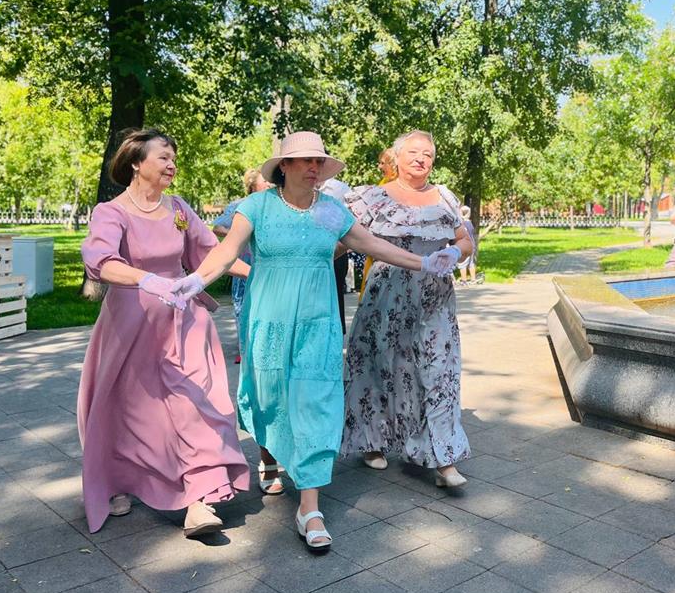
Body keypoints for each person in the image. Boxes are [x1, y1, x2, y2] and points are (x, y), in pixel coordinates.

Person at [169, 131, 468, 551]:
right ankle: (269, 456)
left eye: (319, 162)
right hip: (269, 322)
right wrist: (195, 281)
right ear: (285, 167)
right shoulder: (256, 207)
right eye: (306, 161)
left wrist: (425, 262)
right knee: (268, 398)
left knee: (315, 403)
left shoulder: (330, 212)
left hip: (318, 325)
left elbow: (372, 244)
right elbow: (226, 251)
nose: (314, 168)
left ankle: (309, 508)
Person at [78, 128, 250, 538]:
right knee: (131, 409)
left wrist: (261, 274)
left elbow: (212, 254)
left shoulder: (178, 208)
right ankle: (119, 480)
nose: (172, 164)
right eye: (163, 157)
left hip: (184, 322)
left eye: (174, 158)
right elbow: (100, 261)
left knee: (195, 404)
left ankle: (200, 499)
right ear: (137, 164)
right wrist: (146, 280)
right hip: (131, 323)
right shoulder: (111, 212)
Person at [342, 130, 472, 489]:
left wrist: (455, 252)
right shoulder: (373, 198)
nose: (420, 159)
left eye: (427, 154)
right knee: (378, 366)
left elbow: (465, 240)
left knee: (440, 372)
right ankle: (372, 440)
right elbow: (342, 239)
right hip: (387, 296)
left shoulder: (444, 197)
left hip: (435, 297)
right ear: (396, 158)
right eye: (413, 152)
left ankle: (444, 459)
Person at [213, 169, 272, 363]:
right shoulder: (239, 205)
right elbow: (217, 227)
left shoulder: (275, 205)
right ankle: (244, 348)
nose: (269, 184)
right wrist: (240, 233)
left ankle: (264, 346)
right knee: (242, 304)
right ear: (253, 185)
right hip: (244, 262)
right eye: (264, 181)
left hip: (268, 263)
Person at [360, 147, 398, 298]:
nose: (379, 167)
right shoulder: (382, 184)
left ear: (393, 164)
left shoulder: (397, 188)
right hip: (376, 249)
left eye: (383, 163)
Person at [319, 176, 352, 333]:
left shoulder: (340, 189)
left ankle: (336, 334)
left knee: (335, 294)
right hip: (308, 254)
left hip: (336, 251)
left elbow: (351, 222)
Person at [456, 205, 480, 285]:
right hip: (471, 245)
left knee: (462, 264)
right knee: (471, 263)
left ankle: (464, 281)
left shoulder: (460, 223)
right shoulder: (469, 223)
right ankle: (473, 279)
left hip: (464, 246)